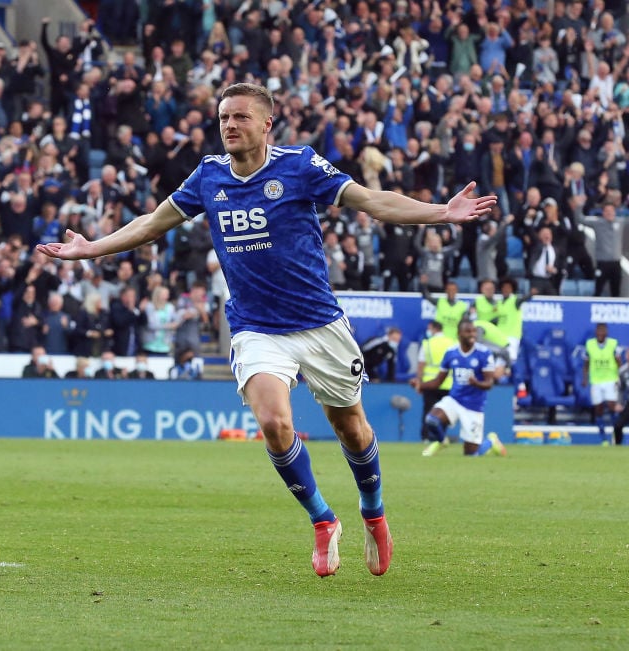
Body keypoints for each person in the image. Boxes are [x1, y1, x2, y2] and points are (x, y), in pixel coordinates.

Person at [37, 83, 497, 577]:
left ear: (265, 124)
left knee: (352, 428)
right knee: (275, 423)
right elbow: (152, 223)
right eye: (222, 118)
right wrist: (92, 248)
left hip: (319, 323)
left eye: (239, 117)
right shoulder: (208, 177)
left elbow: (371, 202)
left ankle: (373, 510)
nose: (229, 126)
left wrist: (439, 214)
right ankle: (323, 521)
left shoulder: (298, 166)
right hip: (257, 328)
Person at [419, 319, 507, 457]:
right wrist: (420, 385)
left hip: (474, 405)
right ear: (459, 334)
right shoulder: (451, 352)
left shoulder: (484, 353)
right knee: (432, 420)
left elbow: (489, 383)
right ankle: (442, 441)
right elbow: (438, 381)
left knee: (471, 454)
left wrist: (476, 383)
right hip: (455, 399)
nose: (472, 334)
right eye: (468, 331)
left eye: (473, 331)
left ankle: (491, 441)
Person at [410, 321, 454, 443]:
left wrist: (419, 383)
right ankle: (440, 437)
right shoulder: (451, 343)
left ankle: (426, 437)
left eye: (429, 328)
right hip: (448, 383)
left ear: (434, 329)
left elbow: (421, 365)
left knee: (428, 411)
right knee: (444, 412)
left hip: (429, 384)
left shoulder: (427, 344)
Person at [582, 323, 623, 446]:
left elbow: (618, 362)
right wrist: (585, 378)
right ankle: (603, 438)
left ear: (606, 333)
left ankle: (616, 436)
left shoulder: (613, 344)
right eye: (598, 331)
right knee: (598, 409)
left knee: (611, 406)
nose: (600, 333)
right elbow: (586, 363)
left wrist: (620, 376)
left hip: (610, 379)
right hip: (596, 381)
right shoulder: (590, 344)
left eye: (602, 331)